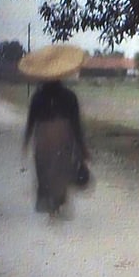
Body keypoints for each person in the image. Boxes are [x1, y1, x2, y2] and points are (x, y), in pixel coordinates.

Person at [23, 80, 89, 217]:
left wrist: (27, 139)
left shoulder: (38, 97)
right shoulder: (69, 96)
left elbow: (31, 121)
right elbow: (76, 123)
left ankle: (49, 201)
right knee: (61, 169)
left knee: (43, 169)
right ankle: (58, 201)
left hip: (43, 136)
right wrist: (82, 147)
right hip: (64, 136)